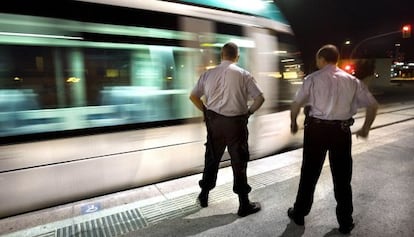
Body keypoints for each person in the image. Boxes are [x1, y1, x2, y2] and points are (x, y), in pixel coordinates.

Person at [288, 44, 378, 234]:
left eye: (317, 59)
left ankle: (299, 213)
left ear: (321, 59)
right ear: (336, 59)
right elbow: (372, 106)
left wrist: (294, 123)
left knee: (309, 175)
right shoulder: (352, 81)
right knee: (342, 178)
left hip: (316, 132)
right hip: (341, 132)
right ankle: (345, 222)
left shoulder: (312, 79)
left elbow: (296, 105)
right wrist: (365, 128)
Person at [189, 42, 265, 217]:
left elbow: (193, 96)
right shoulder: (244, 75)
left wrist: (206, 112)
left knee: (212, 159)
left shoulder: (208, 74)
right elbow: (260, 98)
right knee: (239, 162)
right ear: (237, 57)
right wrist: (248, 113)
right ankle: (243, 204)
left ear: (221, 56)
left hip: (214, 123)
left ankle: (204, 195)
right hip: (236, 125)